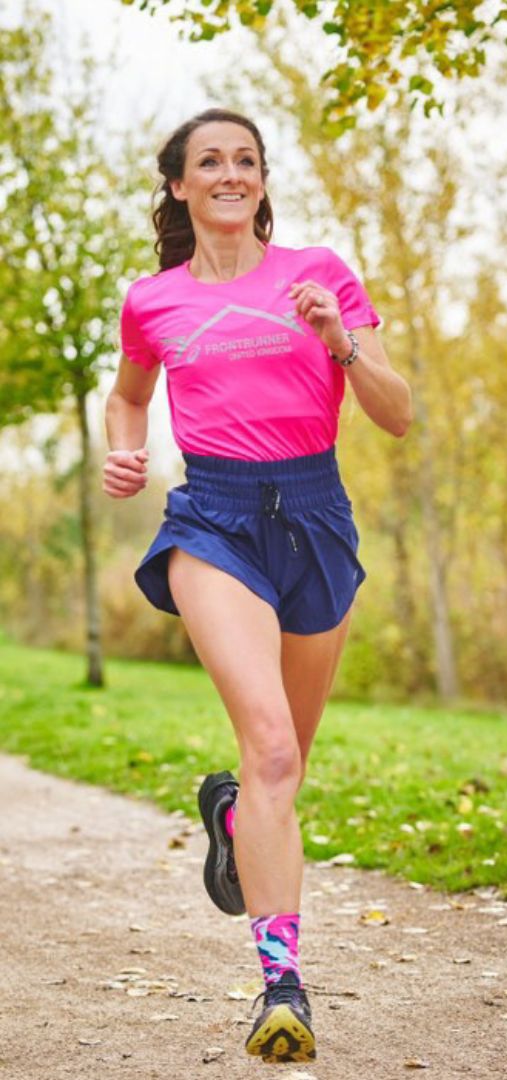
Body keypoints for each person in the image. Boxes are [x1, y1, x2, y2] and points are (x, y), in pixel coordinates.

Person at [103, 107, 412, 1064]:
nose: (231, 173)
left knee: (287, 766)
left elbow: (398, 415)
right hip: (214, 523)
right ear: (179, 187)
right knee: (272, 747)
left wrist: (342, 342)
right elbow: (128, 393)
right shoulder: (152, 300)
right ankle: (283, 987)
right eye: (210, 162)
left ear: (264, 180)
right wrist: (124, 451)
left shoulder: (319, 275)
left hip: (315, 515)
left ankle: (234, 816)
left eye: (246, 159)